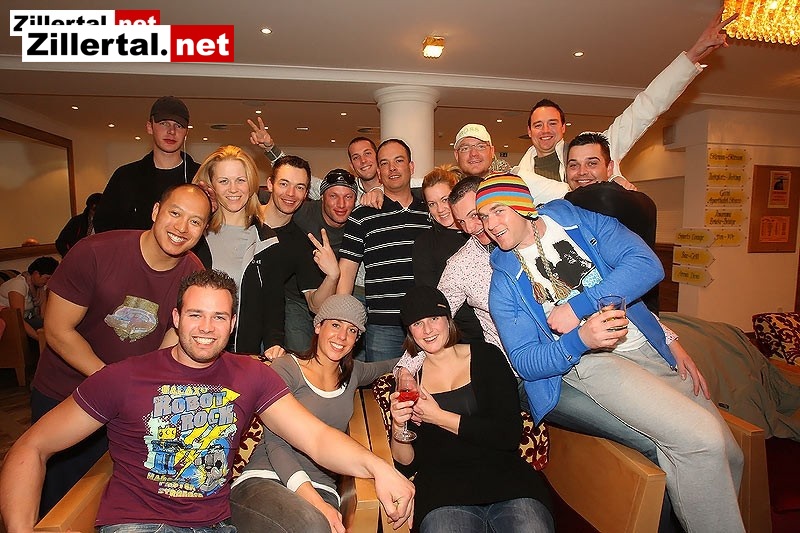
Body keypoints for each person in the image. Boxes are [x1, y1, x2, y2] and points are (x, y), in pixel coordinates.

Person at [0, 270, 415, 533]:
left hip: (216, 524)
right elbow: (31, 447)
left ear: (232, 324)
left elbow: (317, 438)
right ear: (176, 318)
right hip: (140, 523)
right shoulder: (123, 377)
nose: (206, 328)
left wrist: (382, 469)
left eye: (219, 317)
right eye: (195, 314)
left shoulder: (251, 375)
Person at [477, 174, 745, 532]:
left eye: (498, 210)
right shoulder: (504, 281)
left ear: (523, 206)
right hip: (595, 364)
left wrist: (580, 307)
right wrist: (580, 339)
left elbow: (646, 265)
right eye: (483, 217)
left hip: (645, 346)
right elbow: (526, 362)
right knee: (702, 440)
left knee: (730, 452)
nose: (490, 224)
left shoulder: (580, 221)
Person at [29, 183, 209, 516]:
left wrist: (144, 395)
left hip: (127, 407)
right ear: (155, 211)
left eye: (195, 221)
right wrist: (114, 384)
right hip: (65, 394)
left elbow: (170, 343)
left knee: (110, 500)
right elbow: (57, 330)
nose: (182, 227)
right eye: (175, 213)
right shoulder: (95, 252)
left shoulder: (193, 273)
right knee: (57, 505)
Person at [513, 11, 738, 203]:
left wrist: (692, 55)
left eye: (552, 123)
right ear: (529, 131)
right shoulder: (520, 175)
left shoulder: (593, 149)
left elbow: (645, 108)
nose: (545, 131)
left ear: (563, 127)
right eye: (538, 125)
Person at [390, 285, 553, 533]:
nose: (428, 330)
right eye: (417, 323)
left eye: (434, 318)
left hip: (508, 482)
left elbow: (508, 435)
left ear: (448, 319)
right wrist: (398, 425)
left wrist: (439, 417)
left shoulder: (487, 357)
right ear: (410, 332)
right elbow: (406, 465)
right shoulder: (411, 382)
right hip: (443, 494)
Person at [231, 294, 398, 533]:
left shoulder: (354, 374)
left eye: (352, 330)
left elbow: (391, 364)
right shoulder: (287, 368)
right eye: (336, 325)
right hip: (266, 478)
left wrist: (409, 367)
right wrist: (316, 503)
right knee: (313, 526)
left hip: (323, 489)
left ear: (357, 339)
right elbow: (276, 443)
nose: (342, 337)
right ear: (318, 326)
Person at [191, 147, 337, 358]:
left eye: (240, 180)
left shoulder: (271, 241)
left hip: (243, 351)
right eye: (223, 181)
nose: (233, 189)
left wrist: (333, 275)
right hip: (195, 342)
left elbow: (274, 303)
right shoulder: (196, 233)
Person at [338, 139, 431, 361]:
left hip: (428, 323)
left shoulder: (431, 213)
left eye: (399, 161)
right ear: (379, 172)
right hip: (382, 326)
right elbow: (346, 274)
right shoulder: (361, 216)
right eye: (385, 163)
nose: (392, 168)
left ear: (411, 167)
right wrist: (341, 320)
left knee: (430, 383)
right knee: (382, 383)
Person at [94, 96, 200, 232]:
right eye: (164, 123)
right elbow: (104, 227)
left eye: (178, 126)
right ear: (150, 127)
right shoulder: (126, 176)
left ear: (186, 133)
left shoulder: (200, 176)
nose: (171, 131)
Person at [288, 169, 359, 351]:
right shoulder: (301, 212)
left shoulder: (358, 223)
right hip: (298, 300)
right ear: (322, 198)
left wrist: (378, 191)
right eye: (333, 196)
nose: (341, 204)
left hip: (333, 300)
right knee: (301, 354)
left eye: (348, 197)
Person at [412, 165, 483, 343]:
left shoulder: (481, 230)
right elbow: (432, 299)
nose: (440, 209)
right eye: (432, 204)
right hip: (458, 337)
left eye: (445, 200)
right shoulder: (425, 244)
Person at [0, 256, 58, 339]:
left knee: (56, 324)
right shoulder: (18, 285)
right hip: (10, 322)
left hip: (27, 319)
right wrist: (39, 338)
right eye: (47, 278)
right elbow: (18, 319)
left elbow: (43, 315)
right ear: (36, 273)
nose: (48, 282)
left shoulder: (41, 287)